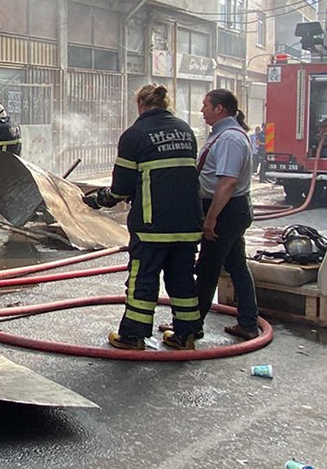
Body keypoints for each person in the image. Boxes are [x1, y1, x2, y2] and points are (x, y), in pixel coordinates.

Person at [83, 84, 204, 351]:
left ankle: (133, 335)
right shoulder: (186, 130)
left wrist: (100, 199)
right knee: (182, 278)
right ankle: (186, 335)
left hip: (153, 224)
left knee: (144, 280)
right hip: (188, 222)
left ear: (140, 104)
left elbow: (121, 187)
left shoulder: (135, 134)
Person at [190, 89, 260, 341]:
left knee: (208, 267)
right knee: (236, 265)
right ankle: (248, 322)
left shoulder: (229, 139)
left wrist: (211, 219)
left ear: (219, 108)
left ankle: (191, 325)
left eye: (205, 105)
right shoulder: (223, 136)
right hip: (228, 209)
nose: (202, 110)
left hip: (225, 210)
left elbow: (227, 183)